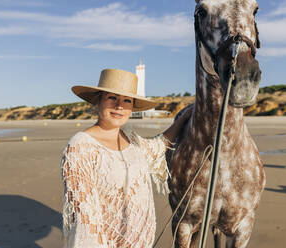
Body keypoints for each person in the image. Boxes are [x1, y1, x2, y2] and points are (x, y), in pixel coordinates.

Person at [60, 68, 191, 248]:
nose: (119, 106)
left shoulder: (132, 141)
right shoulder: (80, 147)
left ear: (132, 107)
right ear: (98, 101)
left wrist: (182, 121)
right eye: (112, 98)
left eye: (127, 100)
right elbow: (84, 220)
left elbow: (158, 146)